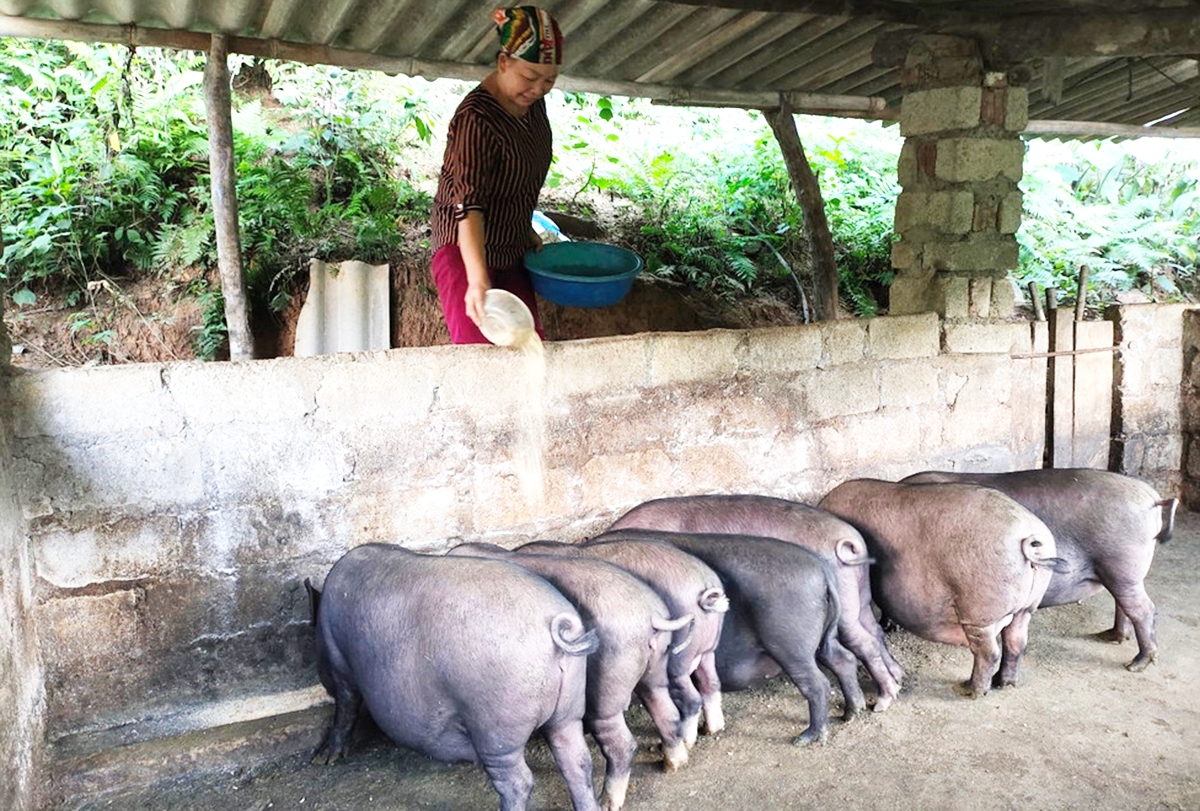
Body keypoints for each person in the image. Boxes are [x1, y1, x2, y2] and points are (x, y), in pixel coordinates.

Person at [429, 6, 563, 344]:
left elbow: (515, 174)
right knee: (481, 351)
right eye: (530, 77)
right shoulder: (476, 119)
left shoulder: (532, 105)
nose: (538, 89)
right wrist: (476, 279)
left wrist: (523, 225)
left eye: (549, 80)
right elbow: (469, 206)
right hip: (465, 248)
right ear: (503, 62)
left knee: (527, 342)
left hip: (509, 245)